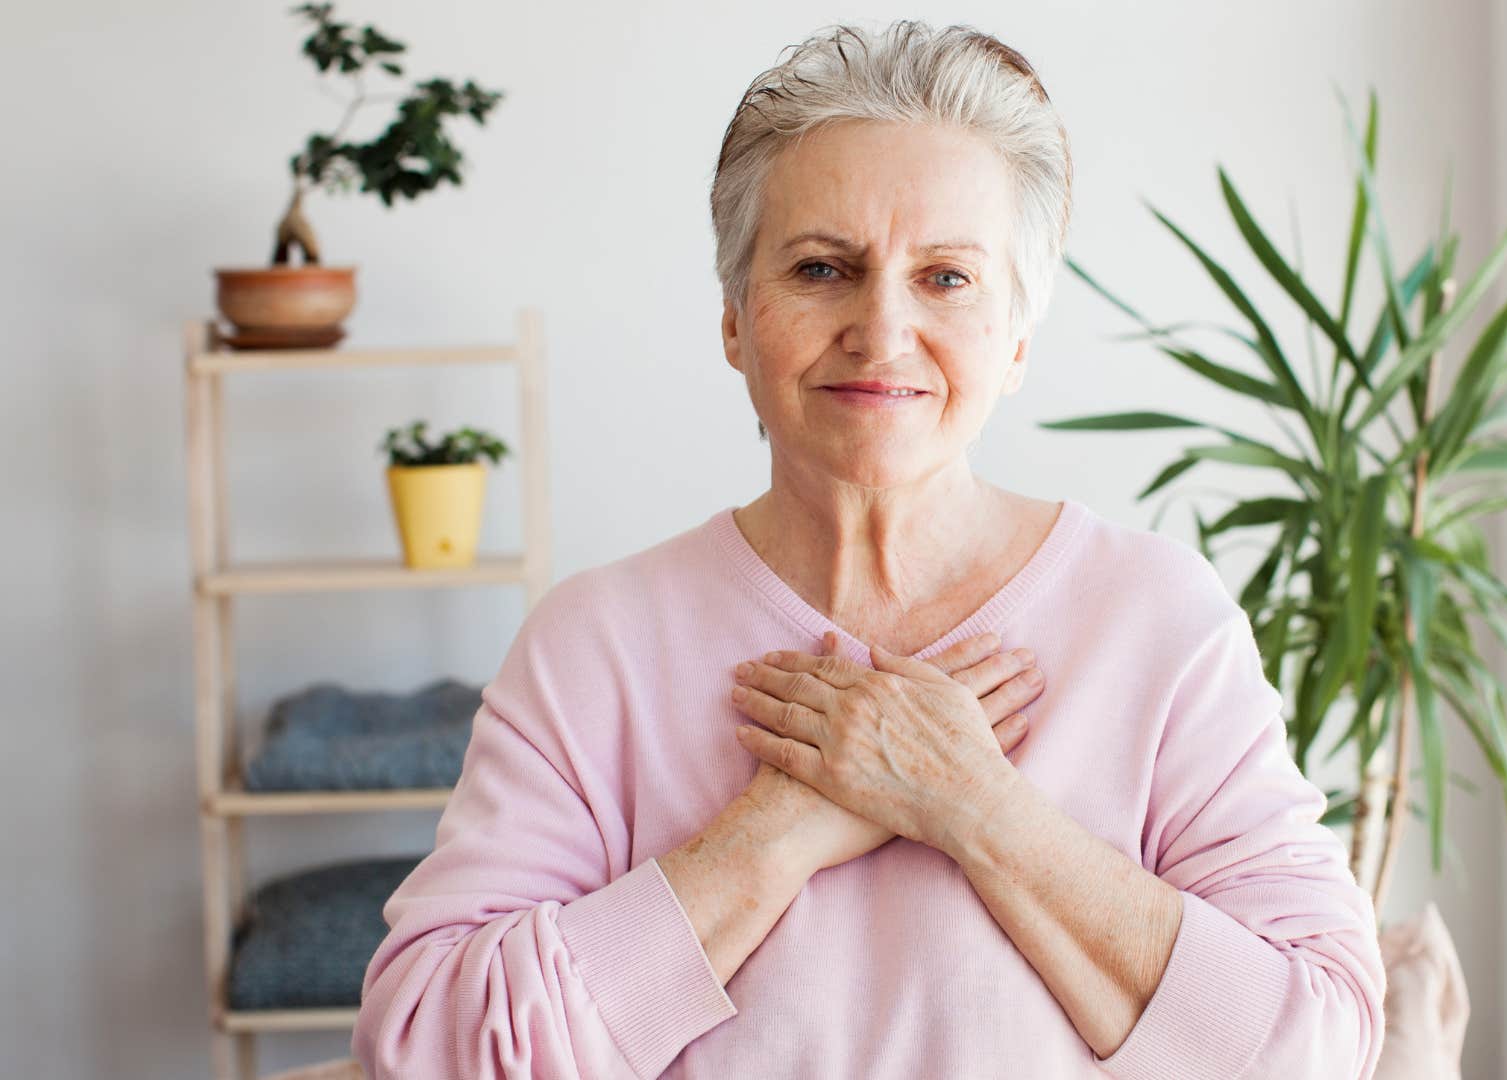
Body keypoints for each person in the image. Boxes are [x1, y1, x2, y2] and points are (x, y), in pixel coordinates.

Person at [351, 19, 1385, 1079]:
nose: (882, 331)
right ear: (735, 321)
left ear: (1018, 336)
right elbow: (427, 1047)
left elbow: (1315, 1040)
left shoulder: (1158, 619)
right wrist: (781, 830)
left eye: (946, 278)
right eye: (821, 267)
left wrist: (974, 806)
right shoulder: (596, 645)